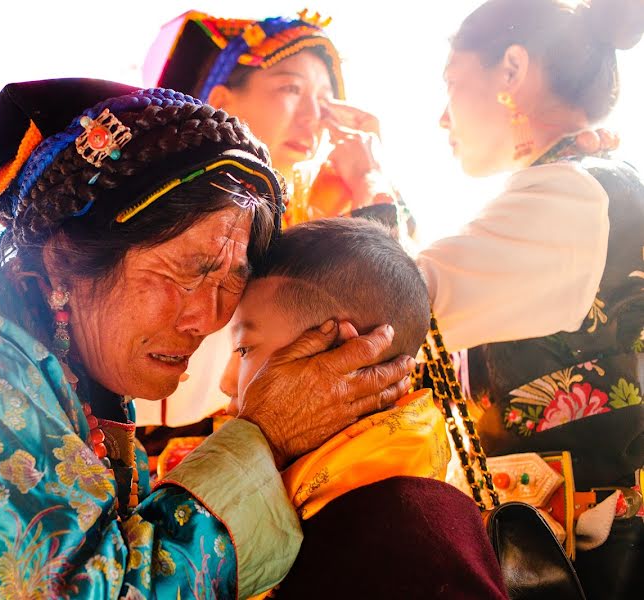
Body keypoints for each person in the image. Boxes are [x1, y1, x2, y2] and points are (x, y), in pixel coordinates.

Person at [0, 79, 415, 598]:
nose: (208, 318)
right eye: (189, 270)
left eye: (230, 281)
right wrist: (261, 439)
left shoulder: (69, 369)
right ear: (64, 259)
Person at [333, 1, 644, 597]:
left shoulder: (566, 197)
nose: (443, 116)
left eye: (453, 83)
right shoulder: (592, 183)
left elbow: (401, 305)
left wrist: (368, 190)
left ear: (511, 71)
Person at [138, 9, 411, 433]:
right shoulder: (170, 203)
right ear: (222, 102)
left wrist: (369, 187)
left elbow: (394, 308)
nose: (313, 116)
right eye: (290, 88)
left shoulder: (311, 214)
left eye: (324, 101)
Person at [218, 217, 508, 599]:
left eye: (244, 350)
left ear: (347, 356)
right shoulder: (340, 507)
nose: (226, 381)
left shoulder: (409, 535)